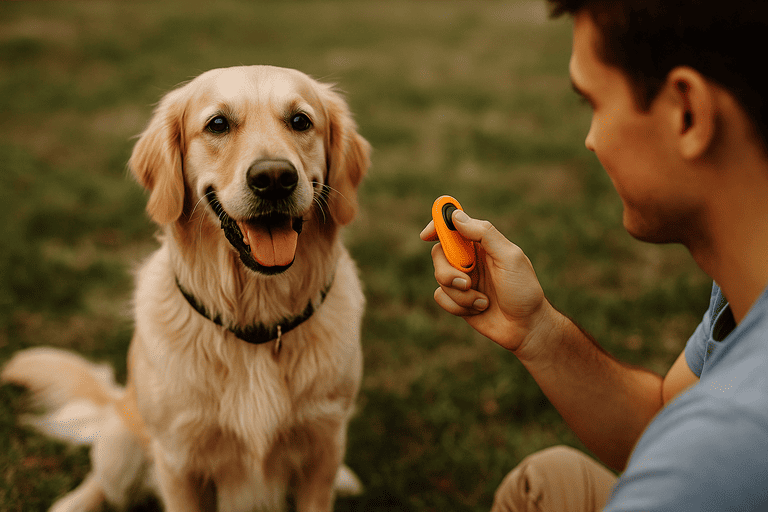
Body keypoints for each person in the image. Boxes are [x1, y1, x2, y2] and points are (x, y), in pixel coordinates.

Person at [420, 1, 768, 510]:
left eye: (594, 104)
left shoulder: (721, 449)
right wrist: (535, 329)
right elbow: (666, 418)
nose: (590, 140)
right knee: (546, 482)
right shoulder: (746, 288)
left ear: (688, 114)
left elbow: (695, 450)